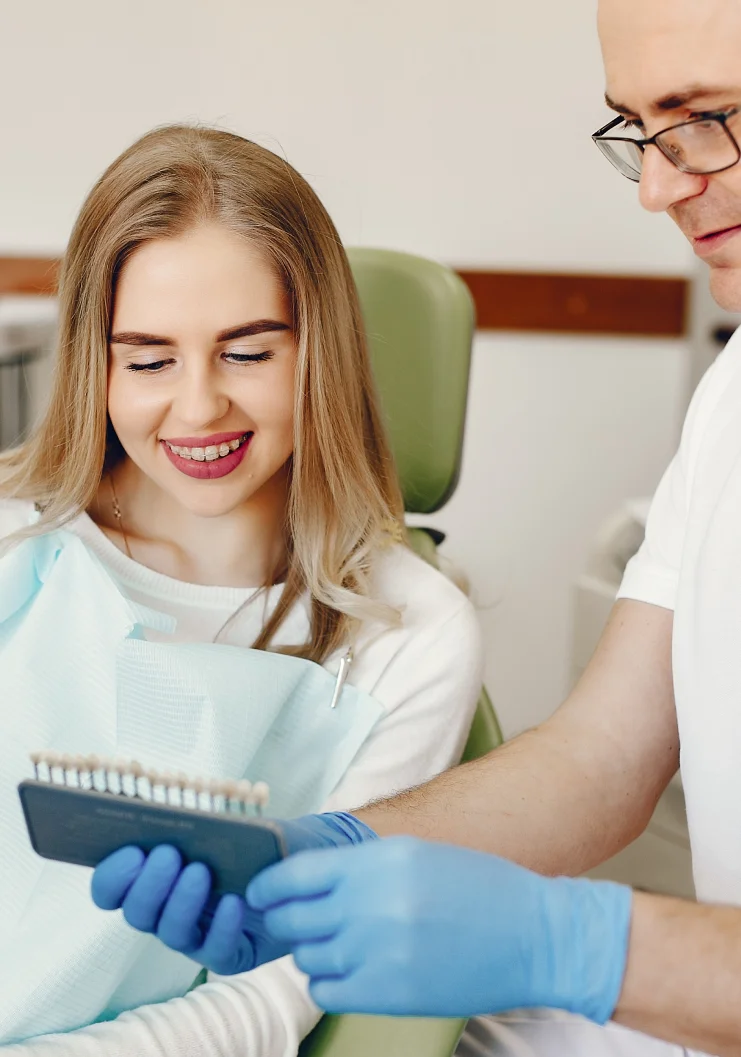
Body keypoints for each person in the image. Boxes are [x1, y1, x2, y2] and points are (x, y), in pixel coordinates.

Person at [92, 2, 741, 1055]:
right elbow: (603, 755)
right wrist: (325, 850)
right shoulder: (731, 401)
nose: (660, 187)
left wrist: (592, 946)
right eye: (640, 132)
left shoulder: (412, 626)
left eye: (706, 116)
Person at [0, 125, 483, 1055]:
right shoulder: (17, 539)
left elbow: (273, 998)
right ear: (93, 363)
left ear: (322, 351)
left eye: (248, 353)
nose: (196, 408)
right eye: (146, 359)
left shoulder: (411, 635)